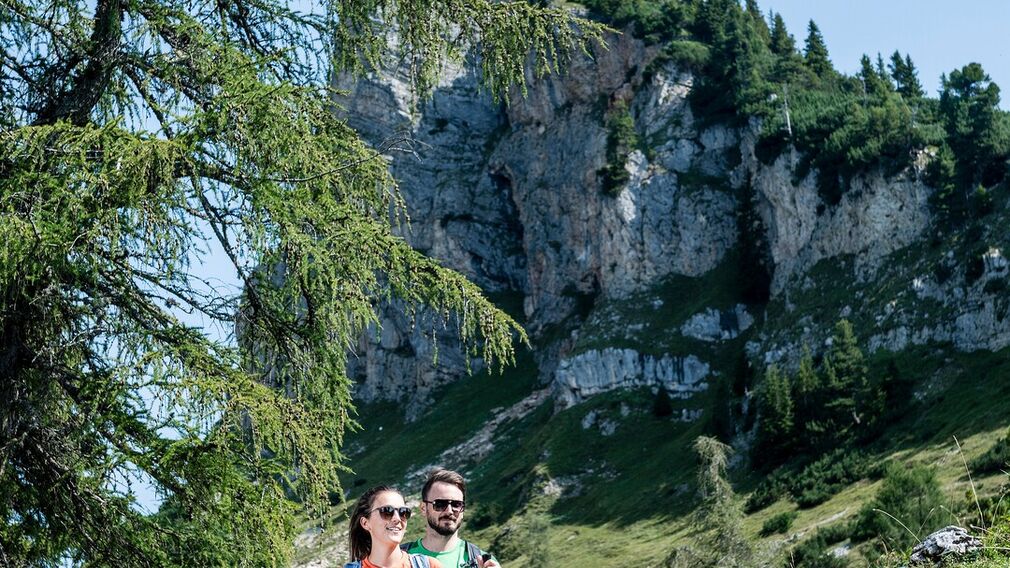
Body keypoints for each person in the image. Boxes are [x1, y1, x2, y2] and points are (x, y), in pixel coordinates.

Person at [402, 469, 502, 568]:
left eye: (456, 505)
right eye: (440, 504)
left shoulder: (485, 563)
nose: (449, 511)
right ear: (424, 508)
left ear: (462, 510)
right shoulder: (398, 558)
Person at [345, 485, 444, 568]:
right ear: (365, 523)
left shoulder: (430, 565)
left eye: (403, 512)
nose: (397, 518)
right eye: (387, 511)